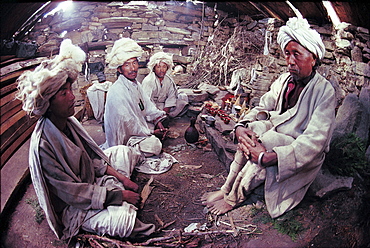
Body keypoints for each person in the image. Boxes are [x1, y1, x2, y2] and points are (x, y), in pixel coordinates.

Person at [16, 39, 155, 240]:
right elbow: (72, 193)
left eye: (70, 90)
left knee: (123, 152)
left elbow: (90, 160)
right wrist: (119, 195)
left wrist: (122, 179)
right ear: (48, 103)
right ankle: (120, 205)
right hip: (76, 205)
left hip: (91, 180)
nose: (73, 97)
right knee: (126, 222)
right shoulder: (44, 145)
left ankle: (115, 188)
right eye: (64, 94)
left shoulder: (69, 123)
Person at [201, 17, 336, 218]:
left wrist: (270, 157)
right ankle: (226, 187)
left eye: (297, 55)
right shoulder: (284, 80)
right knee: (252, 133)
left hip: (298, 151)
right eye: (288, 54)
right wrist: (241, 127)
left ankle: (233, 199)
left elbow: (314, 142)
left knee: (266, 141)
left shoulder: (324, 91)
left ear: (313, 57)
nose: (290, 61)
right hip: (277, 132)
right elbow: (263, 106)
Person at [103, 38, 176, 174]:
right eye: (127, 65)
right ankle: (128, 155)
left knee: (154, 140)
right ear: (119, 69)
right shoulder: (117, 91)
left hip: (137, 132)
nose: (132, 68)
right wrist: (151, 133)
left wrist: (158, 121)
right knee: (154, 145)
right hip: (123, 139)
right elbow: (128, 124)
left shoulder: (135, 84)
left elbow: (147, 106)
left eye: (134, 63)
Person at [141, 52, 188, 118]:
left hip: (164, 106)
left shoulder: (168, 80)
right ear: (154, 68)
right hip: (153, 107)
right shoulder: (149, 81)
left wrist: (165, 111)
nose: (161, 70)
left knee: (182, 102)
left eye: (164, 67)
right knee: (147, 115)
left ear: (167, 68)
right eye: (158, 67)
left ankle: (166, 116)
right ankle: (158, 119)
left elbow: (171, 96)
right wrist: (157, 114)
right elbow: (147, 101)